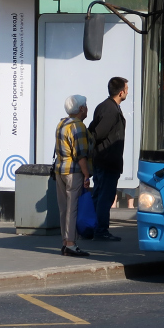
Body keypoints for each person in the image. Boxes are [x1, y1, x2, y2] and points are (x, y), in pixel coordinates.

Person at [88, 77, 128, 242]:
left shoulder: (105, 106)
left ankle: (94, 227)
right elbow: (98, 133)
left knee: (99, 195)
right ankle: (101, 230)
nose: (127, 92)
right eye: (126, 89)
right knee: (105, 196)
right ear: (121, 92)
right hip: (107, 160)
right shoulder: (111, 110)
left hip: (103, 160)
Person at [55, 95, 92, 257]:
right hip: (73, 172)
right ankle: (71, 243)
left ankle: (65, 242)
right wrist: (86, 175)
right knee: (72, 208)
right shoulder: (79, 127)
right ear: (81, 109)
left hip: (60, 170)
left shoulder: (62, 123)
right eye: (86, 106)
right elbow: (81, 154)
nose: (87, 108)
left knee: (63, 208)